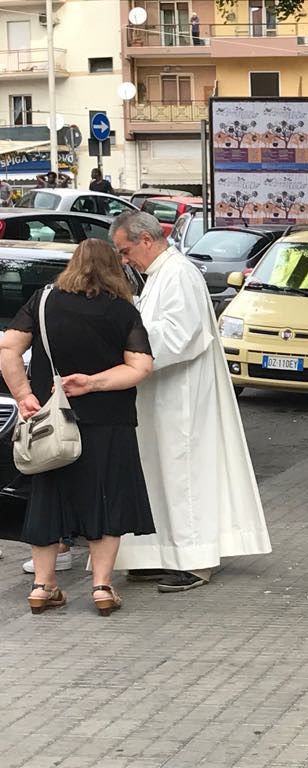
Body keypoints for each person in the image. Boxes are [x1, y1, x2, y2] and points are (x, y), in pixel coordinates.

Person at [110, 211, 272, 592]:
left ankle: (194, 559)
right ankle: (159, 553)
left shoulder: (178, 274)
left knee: (183, 476)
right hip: (162, 395)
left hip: (181, 397)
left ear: (146, 240)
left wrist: (125, 341)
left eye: (126, 251)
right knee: (160, 475)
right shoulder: (160, 275)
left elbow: (179, 335)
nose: (124, 260)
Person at [0, 239, 156, 615]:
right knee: (106, 499)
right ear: (114, 269)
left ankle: (43, 586)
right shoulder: (122, 310)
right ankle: (101, 587)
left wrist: (24, 395)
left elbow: (8, 349)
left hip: (50, 420)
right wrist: (93, 383)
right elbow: (141, 366)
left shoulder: (43, 300)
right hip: (109, 420)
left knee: (48, 498)